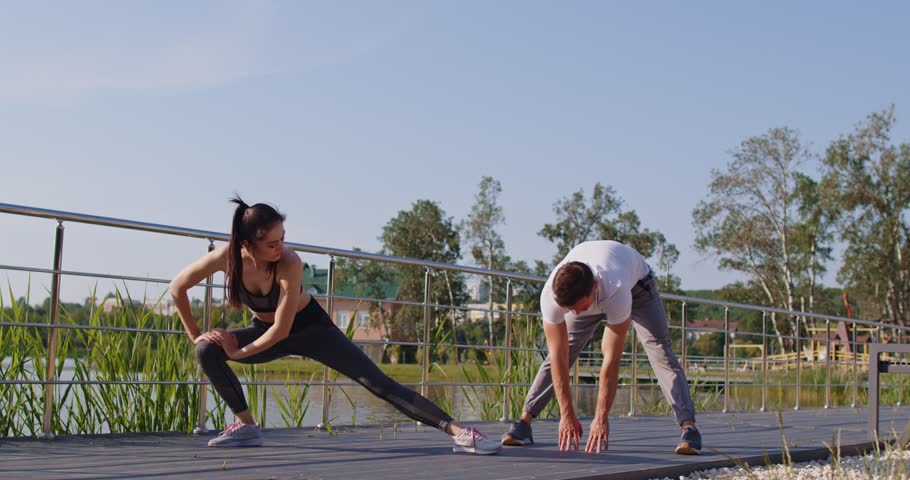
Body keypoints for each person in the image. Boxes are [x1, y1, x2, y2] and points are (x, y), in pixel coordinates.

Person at [169, 196, 502, 454]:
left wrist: (239, 350)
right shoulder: (227, 258)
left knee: (378, 382)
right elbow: (178, 287)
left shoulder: (290, 262)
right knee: (205, 350)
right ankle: (247, 426)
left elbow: (283, 330)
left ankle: (460, 433)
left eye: (282, 238)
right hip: (264, 330)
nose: (280, 247)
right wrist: (197, 334)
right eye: (272, 243)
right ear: (247, 244)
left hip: (311, 329)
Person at [500, 240, 702, 455]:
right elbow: (559, 356)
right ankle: (524, 422)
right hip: (592, 290)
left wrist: (600, 418)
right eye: (571, 309)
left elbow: (611, 359)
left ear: (594, 288)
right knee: (560, 352)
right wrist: (566, 414)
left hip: (637, 286)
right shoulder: (552, 296)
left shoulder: (616, 291)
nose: (577, 313)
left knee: (659, 349)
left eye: (582, 308)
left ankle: (689, 427)